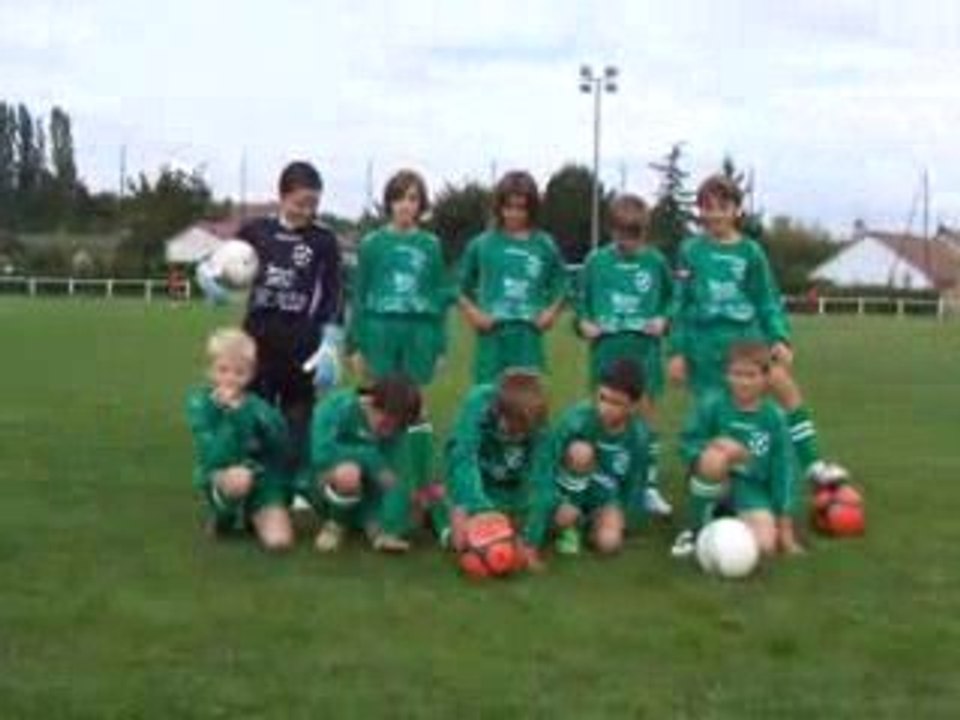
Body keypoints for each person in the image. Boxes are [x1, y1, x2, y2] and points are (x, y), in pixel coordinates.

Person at [667, 174, 848, 489]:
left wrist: (780, 337)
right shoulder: (690, 250)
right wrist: (676, 351)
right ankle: (713, 471)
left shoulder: (751, 252)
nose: (714, 214)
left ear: (736, 210)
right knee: (714, 409)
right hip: (704, 344)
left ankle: (813, 465)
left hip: (747, 340)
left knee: (784, 387)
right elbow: (680, 303)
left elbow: (766, 300)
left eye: (722, 207)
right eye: (707, 207)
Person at [196, 161, 344, 478]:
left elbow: (334, 294)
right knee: (254, 417)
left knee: (298, 421)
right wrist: (207, 276)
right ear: (282, 196)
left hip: (302, 347)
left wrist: (331, 343)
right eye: (301, 202)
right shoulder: (256, 231)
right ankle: (252, 482)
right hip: (257, 342)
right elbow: (221, 262)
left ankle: (295, 484)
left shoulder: (323, 241)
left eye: (314, 204)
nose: (308, 211)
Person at [348, 169, 451, 541]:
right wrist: (354, 344)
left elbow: (441, 295)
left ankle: (423, 493)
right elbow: (358, 295)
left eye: (413, 198)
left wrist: (441, 345)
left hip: (419, 331)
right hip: (379, 328)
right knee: (379, 409)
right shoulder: (373, 244)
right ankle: (378, 491)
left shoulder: (431, 245)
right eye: (400, 197)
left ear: (421, 205)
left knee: (416, 408)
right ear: (388, 202)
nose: (406, 205)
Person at [576, 194, 673, 517]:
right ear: (611, 229)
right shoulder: (595, 262)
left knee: (644, 422)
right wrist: (584, 323)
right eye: (620, 232)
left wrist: (664, 318)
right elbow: (580, 305)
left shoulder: (656, 262)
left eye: (634, 234)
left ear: (644, 232)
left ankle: (647, 486)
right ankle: (602, 483)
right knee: (604, 418)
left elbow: (674, 300)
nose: (626, 240)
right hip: (606, 352)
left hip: (644, 353)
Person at [672, 341, 803, 558]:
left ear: (766, 378)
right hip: (717, 481)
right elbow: (687, 444)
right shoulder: (711, 404)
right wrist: (715, 447)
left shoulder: (774, 418)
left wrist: (786, 531)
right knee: (715, 459)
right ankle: (696, 529)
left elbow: (784, 473)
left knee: (764, 547)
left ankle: (727, 520)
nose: (743, 382)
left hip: (752, 490)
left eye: (751, 375)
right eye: (737, 374)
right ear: (726, 375)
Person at [185, 328, 294, 551]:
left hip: (262, 477)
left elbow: (281, 446)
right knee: (239, 479)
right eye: (223, 370)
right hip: (222, 473)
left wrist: (262, 422)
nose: (230, 378)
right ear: (210, 371)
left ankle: (253, 512)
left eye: (239, 372)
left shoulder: (257, 405)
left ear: (250, 374)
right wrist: (234, 416)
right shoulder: (199, 404)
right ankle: (222, 516)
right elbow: (214, 457)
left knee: (279, 542)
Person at [457, 171, 568, 384]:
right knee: (487, 401)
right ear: (499, 207)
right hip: (492, 338)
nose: (514, 214)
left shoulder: (544, 245)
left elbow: (563, 284)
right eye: (508, 207)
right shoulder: (482, 244)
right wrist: (473, 313)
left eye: (521, 208)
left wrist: (551, 312)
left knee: (526, 405)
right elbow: (459, 287)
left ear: (532, 209)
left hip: (528, 337)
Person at [444, 370, 555, 569]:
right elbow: (463, 460)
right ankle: (441, 509)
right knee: (460, 543)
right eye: (512, 429)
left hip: (510, 487)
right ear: (498, 410)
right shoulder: (477, 403)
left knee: (526, 532)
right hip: (473, 481)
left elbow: (542, 482)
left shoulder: (541, 427)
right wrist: (481, 511)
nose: (518, 436)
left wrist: (531, 542)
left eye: (524, 432)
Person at [304, 374, 423, 553]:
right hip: (323, 482)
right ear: (371, 404)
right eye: (385, 424)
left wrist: (391, 527)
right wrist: (369, 457)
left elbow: (397, 477)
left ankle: (376, 529)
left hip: (368, 491)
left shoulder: (397, 428)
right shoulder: (335, 406)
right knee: (349, 472)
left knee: (408, 517)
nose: (390, 433)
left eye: (398, 427)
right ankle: (335, 525)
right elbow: (322, 456)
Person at [550, 359, 651, 556]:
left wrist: (623, 519)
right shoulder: (576, 419)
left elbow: (636, 484)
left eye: (616, 403)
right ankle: (567, 523)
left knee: (609, 543)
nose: (605, 407)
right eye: (602, 398)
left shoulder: (638, 436)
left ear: (633, 406)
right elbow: (546, 462)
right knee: (581, 451)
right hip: (565, 494)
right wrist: (554, 500)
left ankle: (585, 525)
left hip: (603, 499)